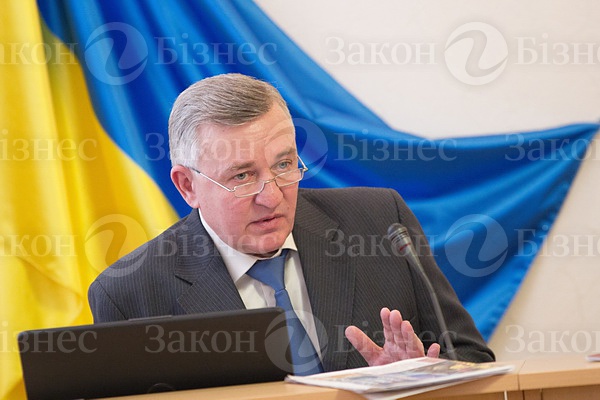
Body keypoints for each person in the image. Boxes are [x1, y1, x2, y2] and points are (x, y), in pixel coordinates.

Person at [88, 73, 494, 373]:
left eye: (284, 165)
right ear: (187, 186)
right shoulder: (130, 293)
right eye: (242, 176)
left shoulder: (380, 223)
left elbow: (473, 358)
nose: (272, 196)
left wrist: (420, 378)